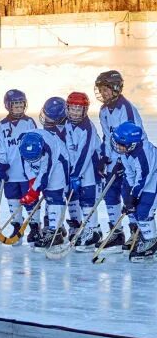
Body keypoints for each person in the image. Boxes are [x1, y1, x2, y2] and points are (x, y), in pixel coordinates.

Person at [96, 70, 145, 249]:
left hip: (130, 160)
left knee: (128, 195)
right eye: (101, 90)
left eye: (106, 89)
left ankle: (136, 232)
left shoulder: (126, 109)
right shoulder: (103, 111)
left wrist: (123, 162)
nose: (103, 93)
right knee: (110, 195)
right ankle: (116, 233)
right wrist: (104, 156)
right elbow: (106, 136)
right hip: (114, 160)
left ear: (116, 88)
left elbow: (134, 137)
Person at [0, 90, 38, 244]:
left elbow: (35, 144)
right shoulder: (2, 126)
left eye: (21, 105)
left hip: (27, 173)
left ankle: (35, 227)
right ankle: (17, 227)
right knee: (12, 200)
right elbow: (1, 147)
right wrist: (1, 163)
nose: (19, 108)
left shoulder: (29, 123)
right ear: (8, 106)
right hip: (11, 172)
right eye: (16, 105)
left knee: (30, 200)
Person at [111, 122, 157, 262]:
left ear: (132, 144)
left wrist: (134, 196)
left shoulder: (142, 153)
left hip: (153, 179)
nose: (118, 147)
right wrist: (130, 196)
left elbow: (143, 177)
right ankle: (146, 236)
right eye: (116, 143)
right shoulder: (126, 151)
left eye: (121, 145)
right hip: (143, 180)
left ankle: (151, 242)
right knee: (136, 209)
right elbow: (130, 174)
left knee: (144, 211)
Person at [19, 130, 70, 250]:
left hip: (58, 163)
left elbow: (45, 174)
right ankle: (53, 226)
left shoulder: (49, 147)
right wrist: (32, 183)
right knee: (46, 193)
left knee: (54, 195)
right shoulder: (23, 145)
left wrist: (33, 191)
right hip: (41, 163)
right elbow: (26, 166)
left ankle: (55, 233)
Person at [64, 92, 103, 250]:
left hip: (89, 168)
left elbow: (84, 153)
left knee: (87, 198)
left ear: (85, 110)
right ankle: (82, 228)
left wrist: (75, 173)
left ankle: (92, 231)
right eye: (72, 108)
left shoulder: (87, 128)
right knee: (74, 196)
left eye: (79, 109)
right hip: (75, 168)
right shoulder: (66, 123)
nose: (75, 112)